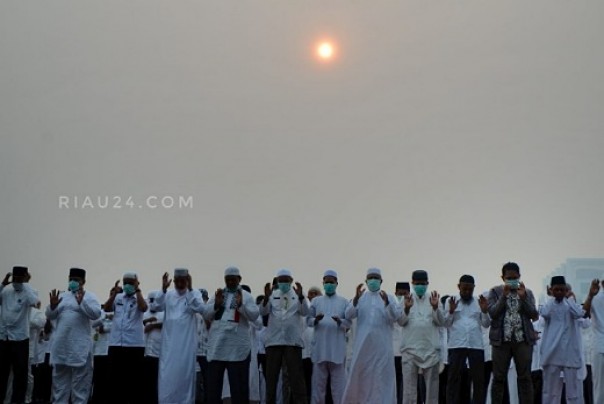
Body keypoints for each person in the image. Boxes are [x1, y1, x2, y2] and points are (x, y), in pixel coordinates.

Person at [342, 267, 402, 404]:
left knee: (382, 378)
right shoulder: (360, 298)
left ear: (381, 281)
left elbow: (395, 317)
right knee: (363, 376)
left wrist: (387, 303)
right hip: (363, 346)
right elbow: (348, 314)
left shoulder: (391, 298)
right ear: (366, 281)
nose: (373, 281)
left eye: (376, 278)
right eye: (371, 278)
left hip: (382, 346)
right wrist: (356, 299)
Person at [46, 267, 102, 404]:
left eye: (76, 280)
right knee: (59, 388)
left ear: (83, 281)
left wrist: (82, 302)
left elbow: (96, 314)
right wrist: (52, 307)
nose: (72, 282)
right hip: (62, 347)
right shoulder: (62, 296)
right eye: (70, 279)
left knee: (80, 388)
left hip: (80, 347)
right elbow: (50, 315)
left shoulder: (90, 296)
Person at [204, 267, 260, 404]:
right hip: (218, 346)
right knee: (213, 387)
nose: (229, 282)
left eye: (232, 279)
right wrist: (215, 305)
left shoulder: (246, 296)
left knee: (239, 387)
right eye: (227, 279)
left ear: (239, 279)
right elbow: (206, 314)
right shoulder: (218, 294)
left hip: (237, 347)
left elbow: (254, 315)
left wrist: (241, 306)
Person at [488, 262, 538, 404]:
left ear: (520, 277)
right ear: (502, 277)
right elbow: (492, 313)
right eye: (509, 278)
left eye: (515, 277)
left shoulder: (527, 292)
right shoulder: (495, 292)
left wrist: (523, 298)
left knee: (525, 378)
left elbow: (534, 314)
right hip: (501, 341)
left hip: (522, 341)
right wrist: (503, 297)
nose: (512, 280)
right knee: (498, 378)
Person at [154, 269, 207, 404]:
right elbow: (156, 306)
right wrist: (163, 290)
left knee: (185, 377)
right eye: (177, 281)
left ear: (187, 280)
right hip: (169, 346)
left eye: (182, 281)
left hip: (186, 346)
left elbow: (201, 309)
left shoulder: (194, 293)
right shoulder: (169, 294)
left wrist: (190, 290)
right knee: (167, 376)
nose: (179, 284)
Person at [259, 269, 309, 404]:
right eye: (281, 280)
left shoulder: (298, 295)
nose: (283, 283)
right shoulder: (272, 295)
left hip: (292, 342)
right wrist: (265, 297)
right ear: (277, 281)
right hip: (274, 342)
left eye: (286, 280)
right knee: (271, 378)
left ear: (291, 281)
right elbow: (262, 311)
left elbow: (305, 312)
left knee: (296, 378)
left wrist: (301, 297)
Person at [399, 269, 444, 404]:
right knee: (409, 392)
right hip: (410, 350)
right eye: (417, 283)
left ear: (427, 283)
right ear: (412, 283)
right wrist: (406, 308)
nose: (420, 286)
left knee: (432, 392)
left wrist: (435, 307)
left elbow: (441, 322)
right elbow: (401, 321)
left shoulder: (434, 298)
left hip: (430, 350)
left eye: (423, 283)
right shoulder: (405, 299)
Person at [444, 274, 490, 404]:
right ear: (459, 287)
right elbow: (446, 324)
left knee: (478, 381)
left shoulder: (478, 301)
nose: (467, 292)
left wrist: (485, 311)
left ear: (474, 288)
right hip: (456, 345)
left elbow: (486, 324)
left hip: (476, 346)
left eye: (470, 289)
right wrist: (451, 312)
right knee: (453, 380)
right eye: (464, 289)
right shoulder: (450, 301)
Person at [104, 272, 148, 403]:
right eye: (126, 283)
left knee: (133, 380)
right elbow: (106, 308)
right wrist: (112, 295)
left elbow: (143, 308)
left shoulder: (140, 298)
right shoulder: (118, 298)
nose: (127, 285)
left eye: (131, 282)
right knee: (115, 379)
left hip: (134, 345)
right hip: (116, 343)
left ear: (136, 283)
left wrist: (138, 291)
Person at [308, 270, 351, 404]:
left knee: (339, 387)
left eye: (331, 282)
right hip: (320, 349)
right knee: (318, 387)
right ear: (323, 283)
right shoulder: (316, 301)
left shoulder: (344, 302)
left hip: (337, 350)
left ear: (336, 283)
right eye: (326, 282)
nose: (329, 284)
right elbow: (308, 321)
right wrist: (316, 319)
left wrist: (340, 321)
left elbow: (348, 323)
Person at [539, 276, 584, 403]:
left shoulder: (570, 305)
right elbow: (544, 313)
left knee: (573, 394)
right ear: (551, 290)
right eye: (556, 290)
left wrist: (569, 298)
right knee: (550, 393)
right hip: (552, 353)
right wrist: (551, 297)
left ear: (566, 290)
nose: (559, 292)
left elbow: (579, 313)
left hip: (570, 354)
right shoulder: (549, 304)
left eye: (562, 290)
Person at [0, 266, 40, 404]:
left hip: (20, 338)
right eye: (14, 279)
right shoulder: (6, 290)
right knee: (3, 373)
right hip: (5, 337)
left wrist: (26, 284)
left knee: (20, 375)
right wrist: (3, 284)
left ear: (24, 278)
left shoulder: (29, 291)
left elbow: (36, 303)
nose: (16, 281)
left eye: (19, 279)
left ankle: (18, 401)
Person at [582, 279, 604, 404]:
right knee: (599, 387)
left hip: (598, 346)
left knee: (598, 387)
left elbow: (584, 313)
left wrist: (590, 295)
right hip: (599, 345)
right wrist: (590, 295)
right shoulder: (596, 298)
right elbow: (583, 314)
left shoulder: (594, 297)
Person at [143, 291, 164, 404]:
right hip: (146, 353)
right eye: (150, 300)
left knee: (157, 382)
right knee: (146, 382)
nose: (152, 303)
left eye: (154, 300)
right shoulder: (144, 313)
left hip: (158, 354)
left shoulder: (163, 313)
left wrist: (153, 325)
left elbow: (168, 324)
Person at [393, 282, 410, 404]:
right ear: (395, 293)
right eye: (400, 294)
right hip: (393, 352)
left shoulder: (413, 307)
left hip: (408, 352)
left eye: (405, 294)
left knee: (407, 385)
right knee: (394, 383)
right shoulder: (391, 306)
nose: (403, 296)